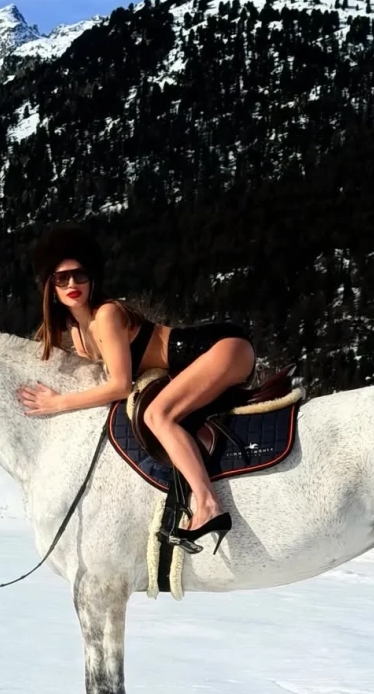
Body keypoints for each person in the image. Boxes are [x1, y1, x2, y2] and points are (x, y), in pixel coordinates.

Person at [17, 225, 255, 552]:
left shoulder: (107, 314)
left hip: (223, 348)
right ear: (50, 286)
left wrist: (59, 403)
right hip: (207, 357)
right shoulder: (76, 332)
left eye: (80, 275)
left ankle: (208, 505)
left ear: (92, 278)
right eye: (62, 278)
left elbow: (119, 385)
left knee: (158, 415)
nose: (72, 284)